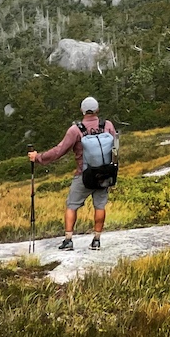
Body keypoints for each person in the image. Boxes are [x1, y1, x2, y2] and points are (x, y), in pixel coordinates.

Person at [28, 96, 118, 251]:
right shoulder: (107, 125)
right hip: (104, 174)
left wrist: (38, 158)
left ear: (82, 111)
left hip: (83, 175)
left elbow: (59, 151)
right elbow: (115, 147)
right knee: (100, 206)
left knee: (72, 206)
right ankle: (96, 240)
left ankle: (68, 240)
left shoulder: (75, 130)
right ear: (97, 110)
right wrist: (113, 170)